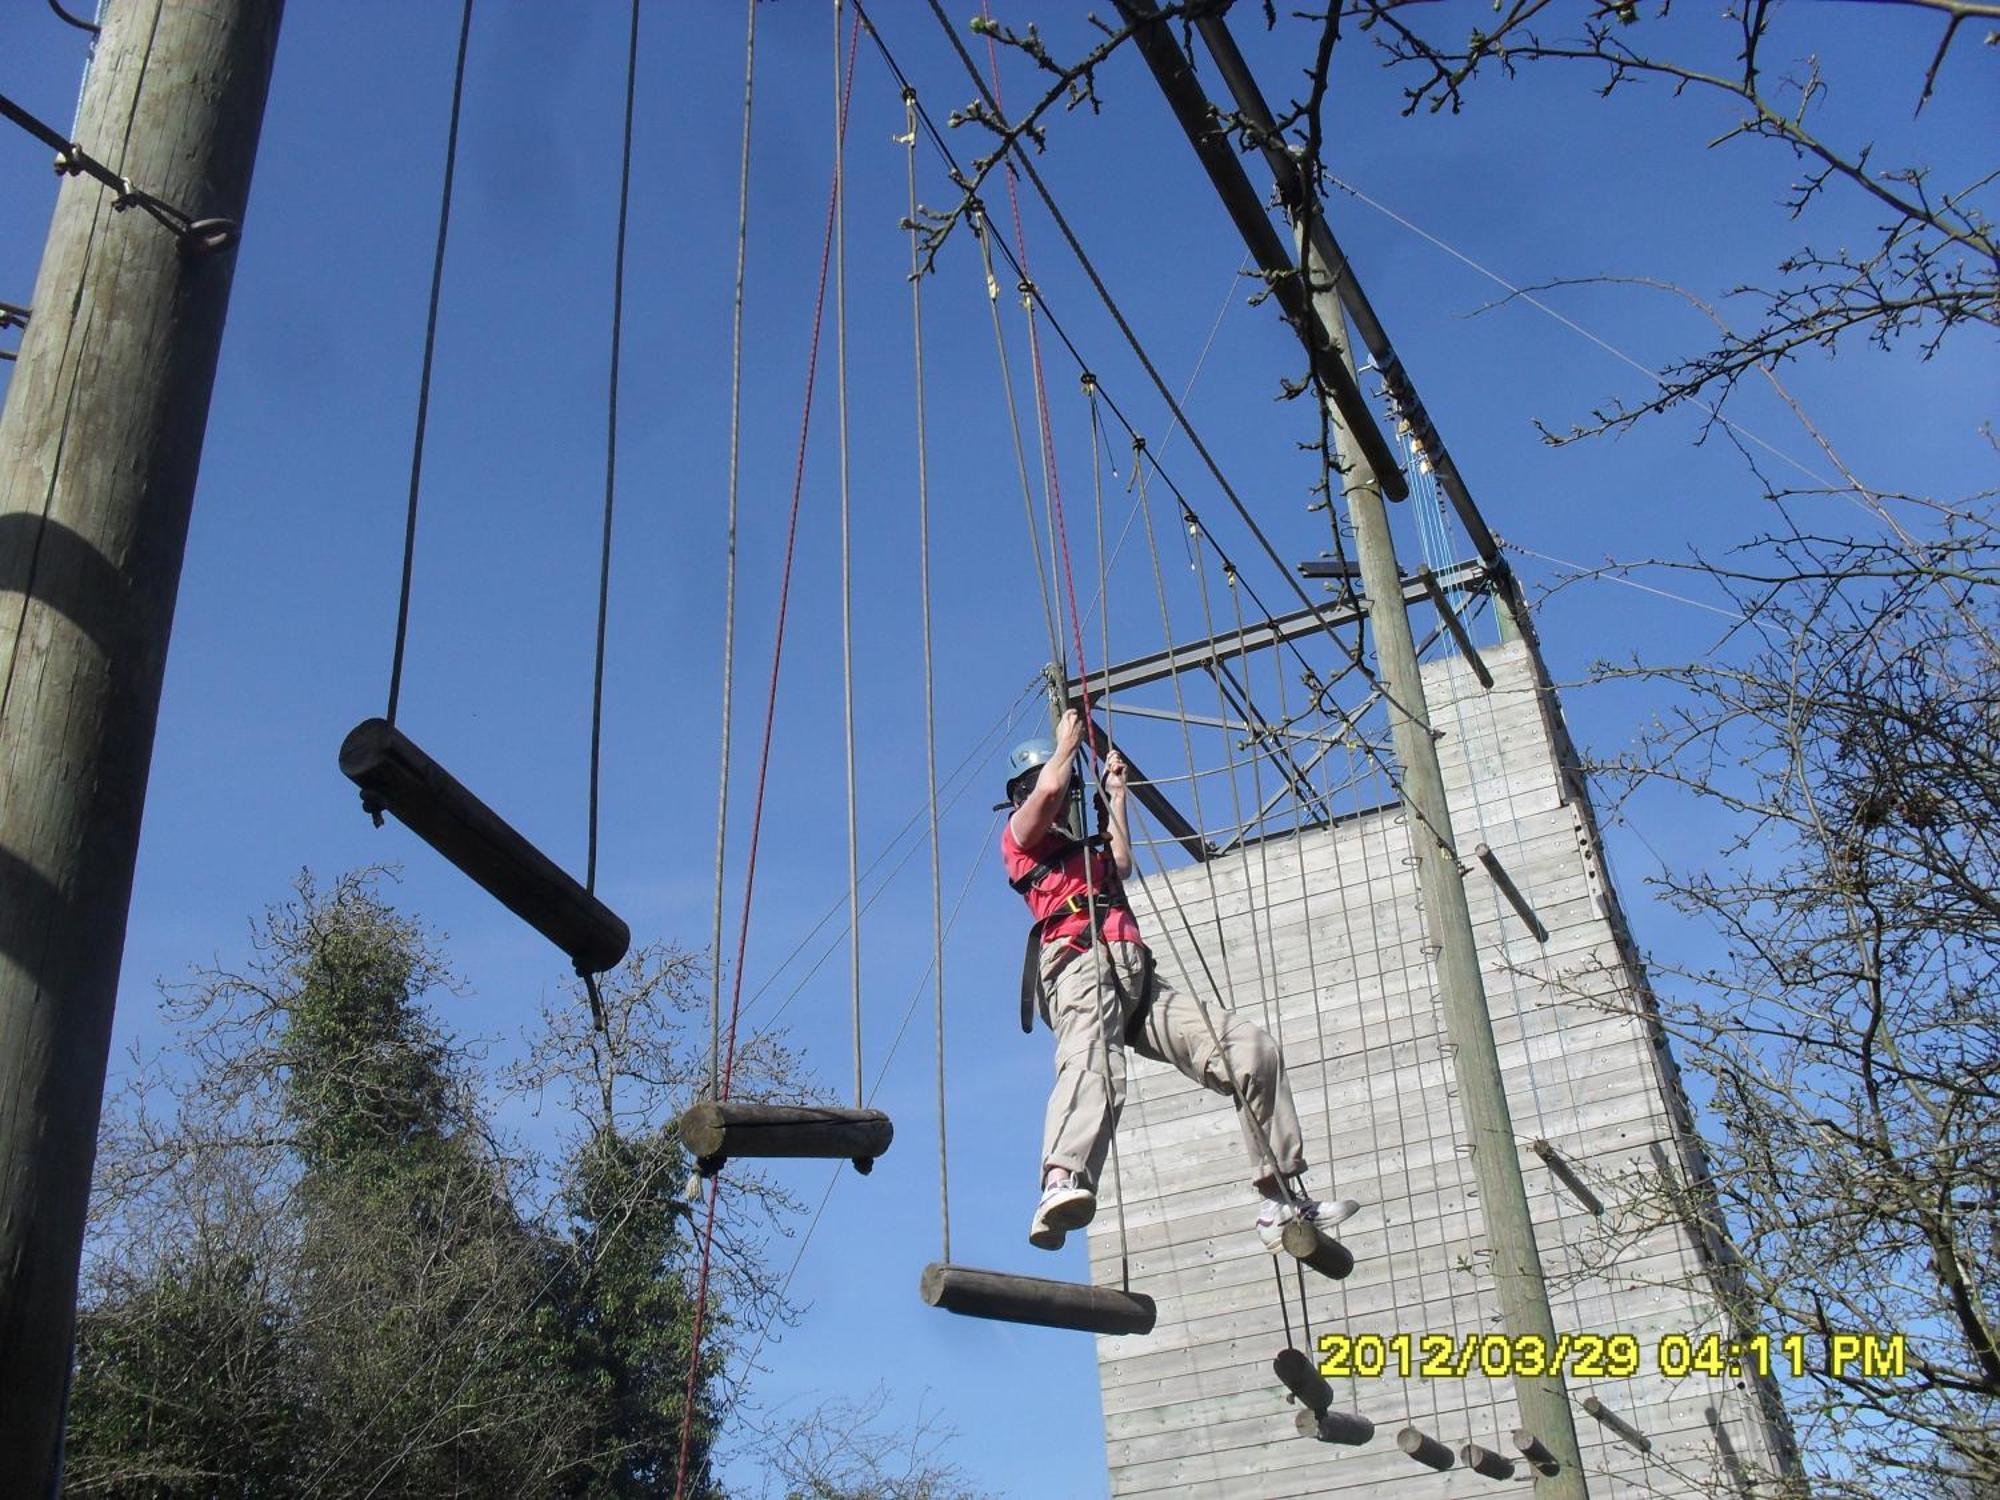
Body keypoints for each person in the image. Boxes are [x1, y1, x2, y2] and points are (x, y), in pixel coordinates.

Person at [1001, 707, 1358, 1251]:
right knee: (1094, 1062)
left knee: (1251, 1052)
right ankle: (1061, 1178)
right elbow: (1047, 793)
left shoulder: (1085, 844)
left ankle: (1280, 1194)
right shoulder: (1021, 836)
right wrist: (1066, 747)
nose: (1064, 796)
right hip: (1078, 963)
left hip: (1137, 975)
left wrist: (1115, 795)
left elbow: (1120, 862)